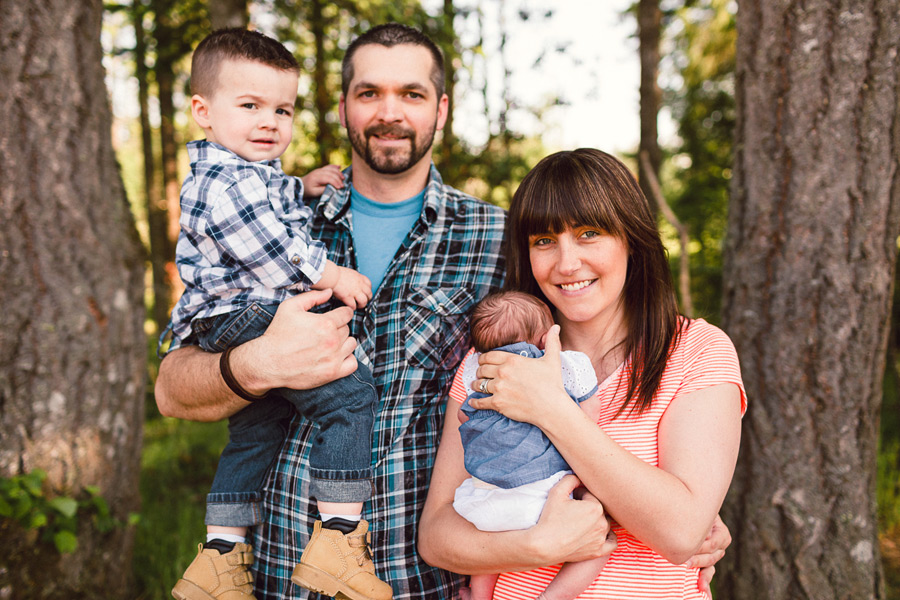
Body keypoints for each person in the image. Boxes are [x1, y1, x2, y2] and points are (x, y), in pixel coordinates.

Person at [155, 24, 731, 600]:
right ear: (342, 108)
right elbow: (172, 390)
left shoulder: (498, 239)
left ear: (442, 108)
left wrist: (685, 513)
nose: (389, 112)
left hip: (424, 580)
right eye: (368, 93)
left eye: (411, 93)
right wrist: (257, 365)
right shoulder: (268, 219)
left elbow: (581, 338)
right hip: (281, 567)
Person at [419, 148, 746, 600]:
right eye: (544, 241)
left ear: (631, 237)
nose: (566, 263)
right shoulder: (495, 360)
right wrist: (534, 545)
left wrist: (551, 409)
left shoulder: (696, 351)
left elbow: (681, 533)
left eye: (589, 233)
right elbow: (436, 535)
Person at [162, 28, 390, 600]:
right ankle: (338, 536)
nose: (269, 121)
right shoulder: (225, 183)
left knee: (255, 429)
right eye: (250, 106)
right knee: (348, 391)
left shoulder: (242, 172)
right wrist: (331, 274)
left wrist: (303, 187)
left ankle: (219, 554)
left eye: (282, 109)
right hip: (243, 312)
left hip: (222, 318)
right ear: (203, 111)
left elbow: (270, 203)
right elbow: (268, 247)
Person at [454, 291, 608, 600]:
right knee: (601, 544)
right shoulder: (566, 364)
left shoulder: (479, 372)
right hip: (541, 500)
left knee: (488, 552)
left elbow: (462, 415)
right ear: (545, 339)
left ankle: (480, 597)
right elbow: (589, 417)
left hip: (482, 501)